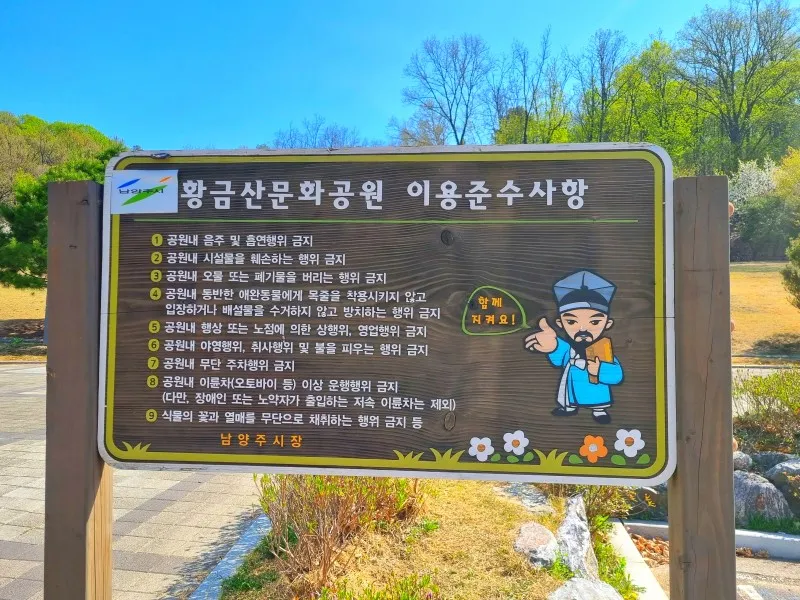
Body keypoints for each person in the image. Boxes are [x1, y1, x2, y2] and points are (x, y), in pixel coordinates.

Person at [524, 270, 624, 424]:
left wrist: (599, 369)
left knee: (597, 400)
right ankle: (569, 407)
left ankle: (599, 410)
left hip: (596, 392)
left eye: (594, 322)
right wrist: (553, 346)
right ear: (560, 323)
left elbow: (616, 375)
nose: (582, 329)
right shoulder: (569, 349)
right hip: (571, 388)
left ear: (607, 323)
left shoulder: (603, 350)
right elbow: (560, 356)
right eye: (571, 322)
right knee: (569, 395)